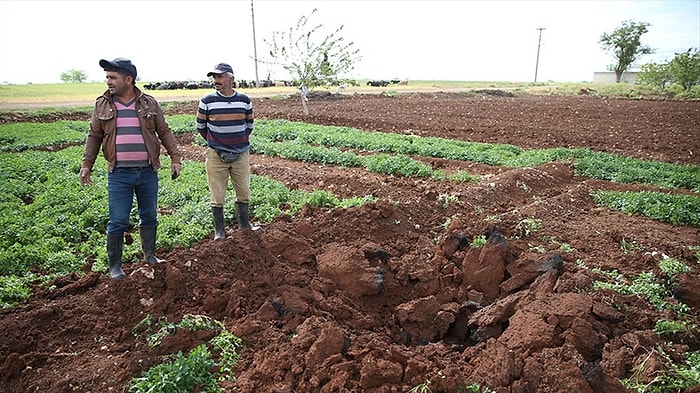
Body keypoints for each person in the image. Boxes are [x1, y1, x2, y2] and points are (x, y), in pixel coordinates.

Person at [79, 57, 182, 279]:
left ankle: (149, 255)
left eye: (113, 77)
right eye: (107, 77)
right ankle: (115, 266)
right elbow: (94, 136)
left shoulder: (149, 103)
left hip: (147, 171)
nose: (108, 81)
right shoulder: (102, 105)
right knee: (118, 220)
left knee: (150, 216)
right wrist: (87, 164)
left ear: (128, 79)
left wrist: (175, 157)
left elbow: (164, 131)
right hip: (119, 173)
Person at [196, 62, 256, 239]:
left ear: (231, 78)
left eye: (220, 76)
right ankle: (219, 231)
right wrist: (217, 143)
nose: (216, 80)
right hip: (216, 155)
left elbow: (249, 124)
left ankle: (244, 226)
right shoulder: (207, 101)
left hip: (241, 154)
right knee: (217, 194)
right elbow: (201, 127)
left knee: (244, 191)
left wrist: (238, 142)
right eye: (214, 77)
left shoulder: (244, 100)